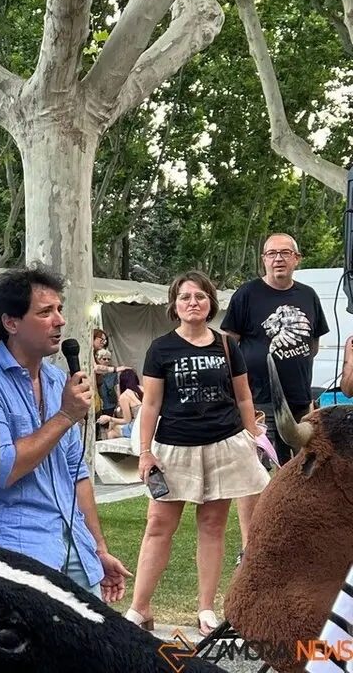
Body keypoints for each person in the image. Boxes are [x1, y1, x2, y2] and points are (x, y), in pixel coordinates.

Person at [0, 265, 132, 602]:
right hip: (13, 551)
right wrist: (63, 416)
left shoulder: (58, 380)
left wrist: (98, 549)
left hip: (74, 547)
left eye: (59, 309)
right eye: (46, 312)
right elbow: (4, 470)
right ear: (11, 323)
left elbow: (77, 472)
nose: (60, 320)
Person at [125, 271, 269, 636]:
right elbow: (152, 403)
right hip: (174, 449)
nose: (193, 302)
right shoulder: (161, 348)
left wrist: (251, 437)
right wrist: (145, 452)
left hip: (224, 445)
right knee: (158, 526)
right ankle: (140, 608)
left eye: (200, 296)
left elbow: (243, 396)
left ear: (210, 303)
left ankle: (206, 609)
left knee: (212, 526)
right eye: (186, 297)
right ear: (175, 304)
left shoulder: (226, 344)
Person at [221, 233, 329, 464]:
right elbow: (228, 345)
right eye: (272, 253)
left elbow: (314, 344)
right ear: (264, 259)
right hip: (260, 401)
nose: (278, 259)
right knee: (260, 468)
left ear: (297, 258)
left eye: (285, 253)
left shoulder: (308, 295)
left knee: (305, 466)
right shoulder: (247, 294)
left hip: (300, 401)